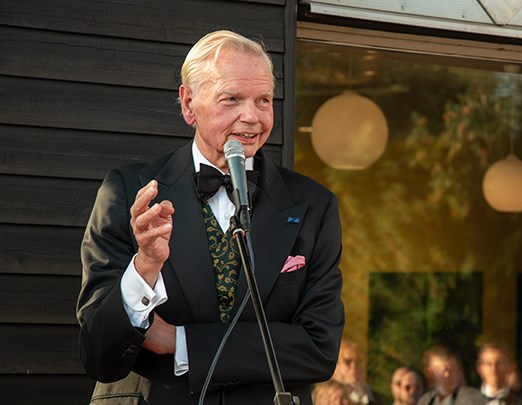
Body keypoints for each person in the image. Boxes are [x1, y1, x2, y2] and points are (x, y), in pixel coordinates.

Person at [76, 30, 345, 404]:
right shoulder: (128, 193)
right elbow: (98, 355)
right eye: (231, 98)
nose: (251, 116)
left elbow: (319, 348)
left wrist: (180, 341)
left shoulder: (314, 205)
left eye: (263, 100)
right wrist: (144, 269)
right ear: (189, 104)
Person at [417, 344, 482, 405]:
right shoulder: (426, 400)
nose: (447, 375)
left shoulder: (471, 398)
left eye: (452, 370)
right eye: (441, 371)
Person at [332, 339, 378, 404]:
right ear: (336, 365)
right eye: (347, 362)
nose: (354, 367)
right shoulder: (326, 394)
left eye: (358, 362)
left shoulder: (374, 397)